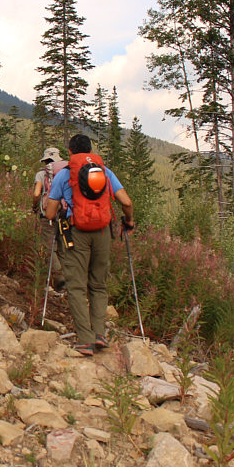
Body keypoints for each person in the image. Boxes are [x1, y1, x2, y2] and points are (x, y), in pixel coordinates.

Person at [45, 134, 134, 356]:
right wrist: (129, 221)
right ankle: (99, 334)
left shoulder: (64, 174)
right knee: (98, 285)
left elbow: (50, 213)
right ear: (90, 151)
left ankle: (85, 340)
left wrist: (61, 209)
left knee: (76, 286)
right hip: (103, 232)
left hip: (76, 232)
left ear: (70, 152)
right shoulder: (105, 172)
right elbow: (126, 201)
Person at [32, 147, 66, 287]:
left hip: (47, 214)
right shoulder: (66, 172)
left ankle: (59, 277)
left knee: (48, 246)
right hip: (64, 213)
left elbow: (36, 194)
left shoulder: (41, 174)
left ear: (46, 160)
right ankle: (69, 277)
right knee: (63, 246)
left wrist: (34, 206)